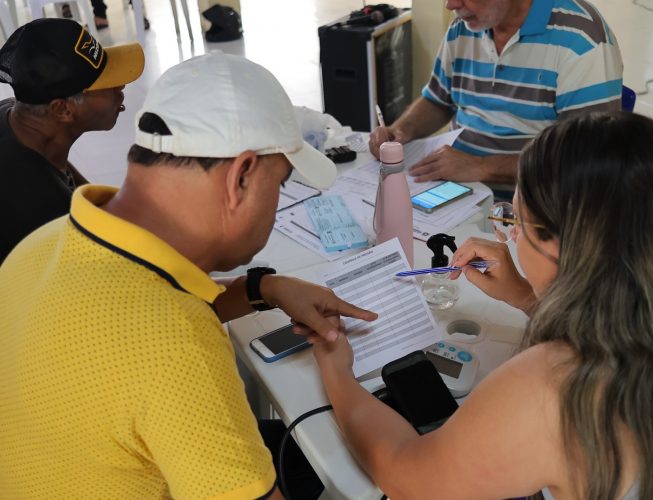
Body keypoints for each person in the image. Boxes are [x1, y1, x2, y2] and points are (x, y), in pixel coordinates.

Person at [313, 112, 653, 498]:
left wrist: (336, 370)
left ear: (561, 247)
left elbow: (408, 479)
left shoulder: (557, 389)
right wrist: (525, 296)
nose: (511, 236)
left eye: (517, 224)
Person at [0, 52, 377, 498]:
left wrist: (264, 288)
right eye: (279, 184)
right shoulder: (173, 341)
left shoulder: (42, 244)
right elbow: (154, 340)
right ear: (241, 176)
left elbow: (121, 327)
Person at [369, 0, 623, 187]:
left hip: (533, 210)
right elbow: (438, 100)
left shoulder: (581, 39)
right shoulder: (462, 28)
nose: (451, 5)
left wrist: (481, 167)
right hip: (459, 192)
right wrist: (401, 130)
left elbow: (585, 161)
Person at [0, 18, 145, 263]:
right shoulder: (47, 214)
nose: (120, 86)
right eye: (107, 83)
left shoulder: (13, 113)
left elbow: (63, 174)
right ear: (62, 109)